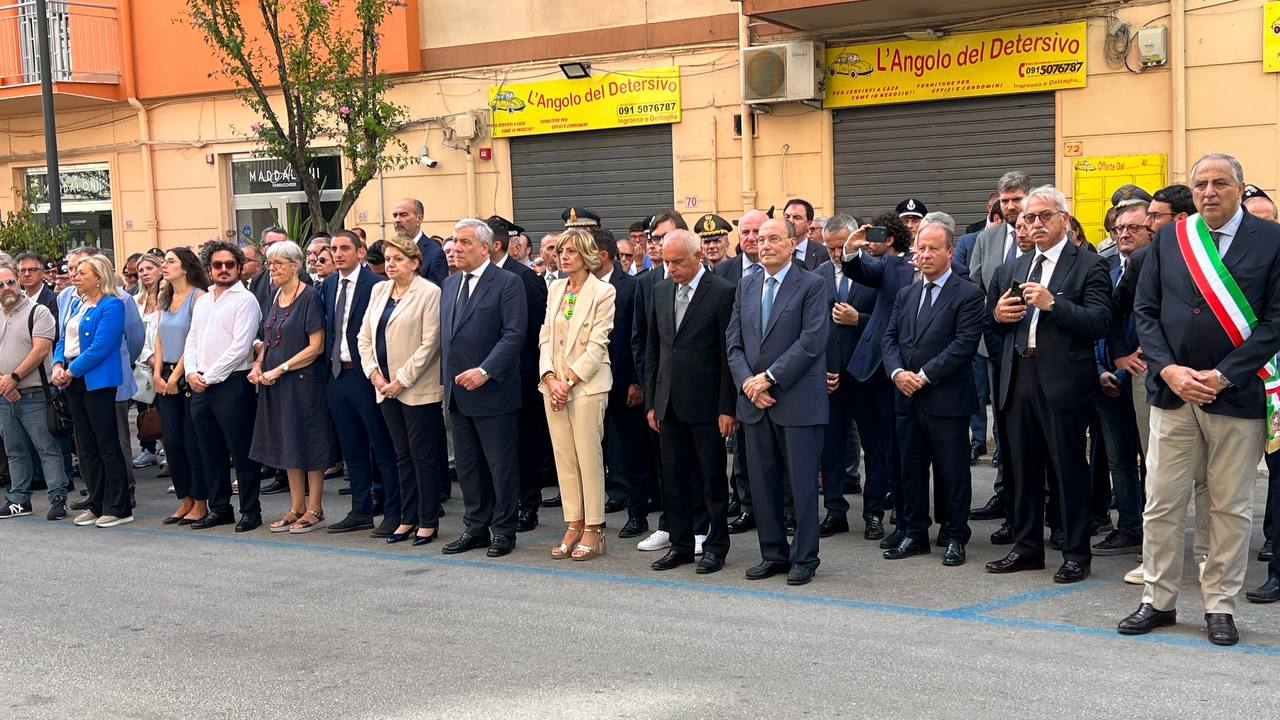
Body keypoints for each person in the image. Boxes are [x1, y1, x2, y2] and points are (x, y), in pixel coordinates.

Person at [1120, 153, 1280, 645]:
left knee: (1229, 507)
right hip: (1173, 394)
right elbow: (1146, 311)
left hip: (1235, 394)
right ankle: (1157, 600)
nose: (1209, 192)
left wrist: (1222, 375)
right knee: (1161, 502)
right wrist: (1168, 369)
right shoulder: (1171, 238)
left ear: (1241, 188)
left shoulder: (1272, 240)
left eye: (1220, 183)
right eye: (1201, 184)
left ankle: (1220, 605)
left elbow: (1275, 321)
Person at [986, 185, 1111, 584]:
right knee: (1021, 467)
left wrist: (1053, 304)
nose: (1035, 224)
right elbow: (991, 325)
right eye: (1028, 218)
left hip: (1063, 379)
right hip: (1018, 372)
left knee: (1067, 468)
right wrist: (998, 316)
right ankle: (1026, 547)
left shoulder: (1089, 265)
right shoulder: (1012, 268)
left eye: (1044, 216)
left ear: (1064, 218)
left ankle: (1075, 553)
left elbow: (1099, 323)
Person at [726, 216, 829, 586]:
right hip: (755, 403)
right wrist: (748, 384)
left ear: (792, 244)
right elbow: (733, 341)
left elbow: (812, 341)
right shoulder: (746, 285)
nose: (764, 245)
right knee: (762, 483)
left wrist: (769, 378)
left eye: (773, 238)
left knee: (801, 485)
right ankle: (773, 553)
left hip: (797, 402)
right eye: (759, 239)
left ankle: (805, 557)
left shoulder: (812, 284)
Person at [880, 212, 986, 566]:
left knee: (952, 471)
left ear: (950, 251)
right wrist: (897, 372)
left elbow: (963, 345)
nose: (924, 255)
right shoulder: (907, 294)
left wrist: (923, 376)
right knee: (910, 470)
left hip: (946, 399)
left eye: (932, 249)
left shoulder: (968, 294)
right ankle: (914, 533)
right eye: (920, 248)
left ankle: (955, 535)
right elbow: (890, 338)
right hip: (906, 398)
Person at [644, 229, 737, 574]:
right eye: (667, 262)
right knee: (674, 480)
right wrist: (652, 402)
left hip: (707, 405)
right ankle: (681, 545)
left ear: (698, 256)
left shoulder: (722, 291)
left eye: (678, 262)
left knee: (712, 480)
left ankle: (716, 546)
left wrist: (727, 407)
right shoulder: (660, 290)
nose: (671, 269)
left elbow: (727, 355)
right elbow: (654, 349)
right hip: (668, 403)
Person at [439, 218, 527, 557]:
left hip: (493, 392)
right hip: (458, 394)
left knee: (500, 466)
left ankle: (504, 529)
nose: (456, 248)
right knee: (468, 467)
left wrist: (485, 371)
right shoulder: (450, 284)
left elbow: (514, 335)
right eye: (454, 241)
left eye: (465, 242)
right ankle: (475, 527)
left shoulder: (507, 283)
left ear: (485, 248)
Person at [357, 234, 444, 546]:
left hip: (416, 387)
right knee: (401, 455)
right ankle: (407, 518)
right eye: (388, 259)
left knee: (423, 455)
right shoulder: (380, 289)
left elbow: (430, 343)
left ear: (415, 262)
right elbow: (364, 337)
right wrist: (374, 375)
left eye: (398, 259)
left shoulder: (429, 292)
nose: (391, 265)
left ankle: (428, 520)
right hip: (384, 387)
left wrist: (401, 380)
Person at [539, 228, 616, 561]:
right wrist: (549, 378)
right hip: (553, 384)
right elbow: (545, 335)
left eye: (571, 251)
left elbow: (598, 344)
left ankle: (594, 527)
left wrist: (568, 382)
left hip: (586, 385)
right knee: (564, 457)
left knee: (588, 457)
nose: (564, 257)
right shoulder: (556, 288)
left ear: (587, 254)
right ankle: (573, 522)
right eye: (560, 251)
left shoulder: (603, 291)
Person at [248, 241, 334, 533]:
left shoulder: (309, 297)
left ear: (295, 266)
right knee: (287, 441)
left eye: (278, 264)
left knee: (309, 440)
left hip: (302, 382)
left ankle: (315, 508)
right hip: (275, 382)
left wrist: (280, 368)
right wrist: (258, 365)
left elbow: (316, 346)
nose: (272, 269)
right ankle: (296, 506)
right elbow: (268, 339)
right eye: (270, 264)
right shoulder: (275, 295)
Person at [322, 230, 401, 537]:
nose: (338, 254)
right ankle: (360, 511)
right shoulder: (330, 284)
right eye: (334, 249)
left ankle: (394, 512)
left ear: (360, 252)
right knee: (352, 448)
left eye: (344, 248)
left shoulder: (376, 284)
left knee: (382, 447)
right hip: (337, 374)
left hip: (367, 375)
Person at [968, 171, 1034, 534]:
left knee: (1032, 427)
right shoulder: (987, 238)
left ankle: (1037, 501)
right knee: (1004, 424)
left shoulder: (1041, 233)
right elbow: (976, 286)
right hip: (993, 344)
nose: (1010, 206)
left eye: (1016, 199)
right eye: (1004, 200)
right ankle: (1004, 494)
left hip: (1035, 345)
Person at [843, 211, 915, 544]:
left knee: (896, 448)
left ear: (890, 238)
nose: (870, 240)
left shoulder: (906, 265)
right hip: (865, 371)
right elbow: (858, 269)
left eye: (876, 235)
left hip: (898, 373)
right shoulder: (881, 264)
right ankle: (873, 514)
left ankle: (903, 512)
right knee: (873, 448)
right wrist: (851, 247)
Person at [186, 241, 264, 532]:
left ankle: (251, 510)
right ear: (209, 269)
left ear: (239, 268)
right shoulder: (203, 301)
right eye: (217, 265)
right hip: (201, 384)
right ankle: (220, 508)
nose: (223, 269)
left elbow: (240, 347)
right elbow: (192, 339)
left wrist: (208, 377)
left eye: (230, 264)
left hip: (232, 384)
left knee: (241, 451)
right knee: (210, 450)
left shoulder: (246, 301)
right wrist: (191, 372)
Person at [52, 255, 132, 528]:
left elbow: (101, 346)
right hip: (74, 379)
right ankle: (96, 503)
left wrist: (71, 371)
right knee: (86, 445)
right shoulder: (78, 303)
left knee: (106, 443)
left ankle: (119, 506)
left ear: (98, 277)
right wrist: (58, 364)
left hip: (97, 381)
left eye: (82, 272)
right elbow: (64, 338)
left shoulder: (112, 305)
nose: (75, 276)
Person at [486, 215, 553, 532]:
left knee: (526, 444)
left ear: (494, 245)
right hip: (490, 376)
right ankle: (504, 503)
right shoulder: (478, 278)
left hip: (522, 376)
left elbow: (537, 331)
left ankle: (528, 504)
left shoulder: (524, 277)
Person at [816, 215, 878, 538]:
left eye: (842, 246)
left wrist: (859, 319)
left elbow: (889, 320)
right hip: (830, 374)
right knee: (832, 446)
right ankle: (835, 510)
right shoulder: (818, 276)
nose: (837, 254)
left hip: (867, 372)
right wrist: (819, 370)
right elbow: (811, 329)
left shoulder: (875, 271)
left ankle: (874, 513)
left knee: (874, 445)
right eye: (831, 248)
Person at [0, 265, 69, 521]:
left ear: (18, 282)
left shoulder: (38, 312)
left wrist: (14, 378)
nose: (6, 288)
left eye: (10, 282)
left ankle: (58, 498)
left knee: (47, 448)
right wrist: (4, 384)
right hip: (5, 396)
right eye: (0, 285)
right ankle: (19, 500)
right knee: (14, 449)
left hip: (36, 393)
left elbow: (40, 350)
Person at [153, 248, 209, 525]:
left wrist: (175, 377)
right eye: (164, 262)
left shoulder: (198, 297)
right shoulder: (164, 297)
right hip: (164, 373)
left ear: (185, 267)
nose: (164, 266)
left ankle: (200, 500)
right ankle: (184, 498)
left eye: (170, 261)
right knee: (172, 441)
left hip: (187, 374)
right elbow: (159, 338)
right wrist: (157, 373)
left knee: (191, 441)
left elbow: (195, 340)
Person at [130, 251, 164, 469]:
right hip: (142, 362)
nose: (144, 273)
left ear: (160, 270)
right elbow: (133, 334)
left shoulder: (168, 297)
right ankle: (148, 448)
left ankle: (168, 450)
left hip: (166, 359)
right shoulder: (135, 301)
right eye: (141, 270)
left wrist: (158, 358)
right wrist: (147, 356)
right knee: (145, 407)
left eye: (149, 268)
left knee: (165, 408)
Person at [391, 198, 448, 287]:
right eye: (395, 215)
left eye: (404, 215)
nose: (397, 220)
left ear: (419, 219)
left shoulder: (435, 253)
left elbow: (437, 291)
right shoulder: (390, 251)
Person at [782, 198, 830, 270]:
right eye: (787, 217)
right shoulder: (773, 250)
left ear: (809, 224)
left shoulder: (823, 253)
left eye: (797, 217)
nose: (791, 221)